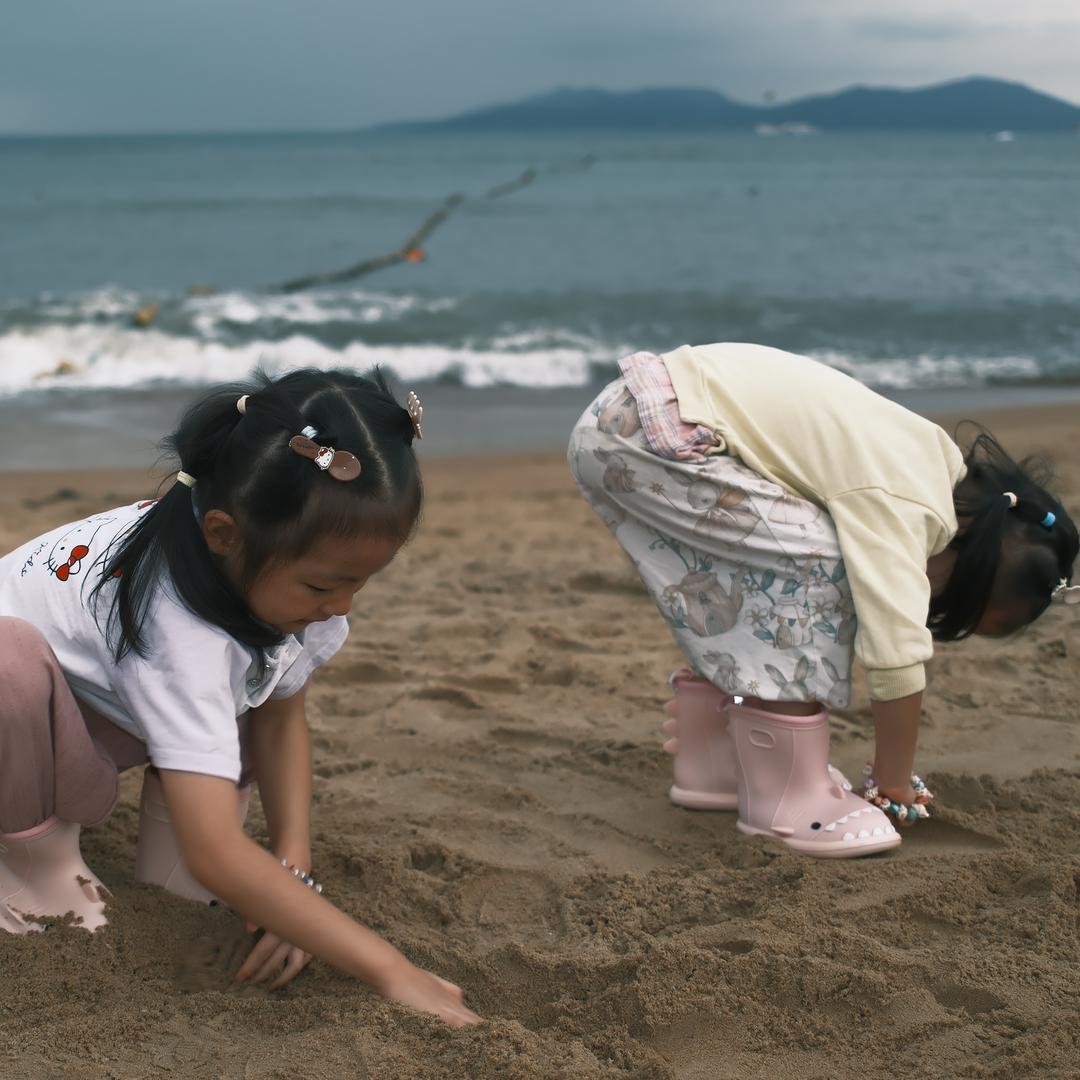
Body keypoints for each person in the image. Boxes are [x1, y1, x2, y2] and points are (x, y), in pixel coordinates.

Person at [0, 368, 479, 1027]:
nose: (339, 607)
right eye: (322, 586)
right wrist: (391, 971)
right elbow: (216, 851)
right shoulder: (176, 629)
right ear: (225, 534)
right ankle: (35, 865)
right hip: (20, 720)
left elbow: (281, 719)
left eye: (359, 584)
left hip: (99, 712)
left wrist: (291, 869)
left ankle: (156, 858)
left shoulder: (262, 572)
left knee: (247, 690)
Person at [568, 343, 1078, 858]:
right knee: (823, 566)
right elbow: (898, 659)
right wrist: (894, 783)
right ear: (971, 558)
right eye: (942, 598)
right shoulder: (906, 506)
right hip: (652, 437)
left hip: (644, 416)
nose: (925, 599)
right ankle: (788, 799)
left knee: (771, 566)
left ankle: (717, 763)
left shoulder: (927, 460)